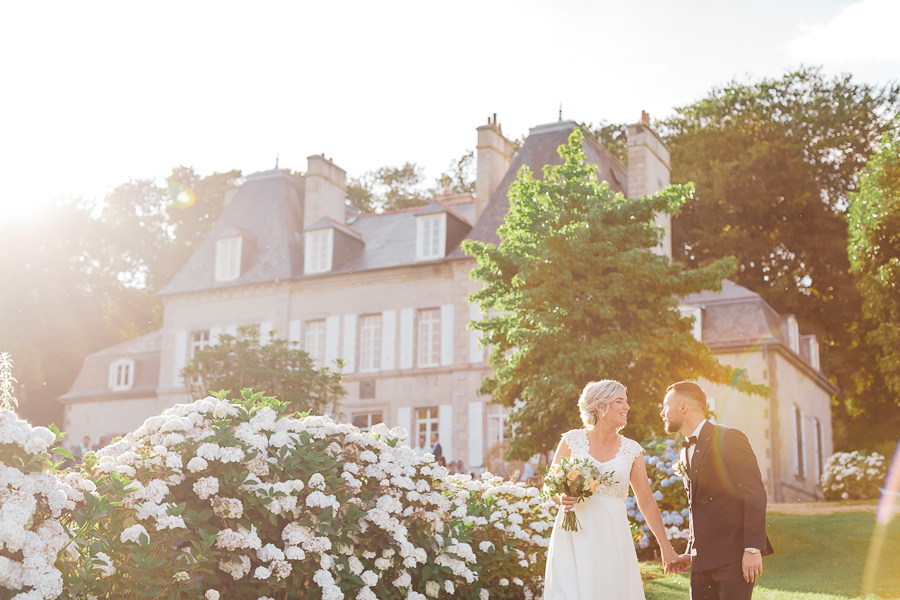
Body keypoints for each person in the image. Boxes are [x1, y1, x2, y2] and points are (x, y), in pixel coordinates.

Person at [543, 380, 679, 599]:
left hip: (612, 535)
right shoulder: (571, 441)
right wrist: (561, 497)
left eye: (626, 401)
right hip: (574, 534)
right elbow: (550, 485)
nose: (627, 407)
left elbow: (646, 501)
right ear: (601, 406)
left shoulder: (632, 450)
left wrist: (666, 547)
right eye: (619, 401)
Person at [661, 381, 774, 600]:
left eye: (666, 405)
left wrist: (752, 549)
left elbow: (754, 495)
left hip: (733, 557)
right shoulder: (684, 451)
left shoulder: (729, 438)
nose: (662, 413)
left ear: (683, 407)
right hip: (701, 562)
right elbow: (697, 507)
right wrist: (691, 551)